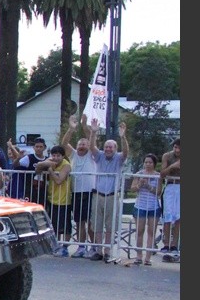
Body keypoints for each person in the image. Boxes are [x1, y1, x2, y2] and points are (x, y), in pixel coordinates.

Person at [87, 118, 128, 262]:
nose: (108, 149)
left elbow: (126, 153)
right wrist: (93, 132)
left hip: (111, 195)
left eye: (111, 147)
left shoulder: (118, 158)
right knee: (97, 224)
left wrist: (123, 137)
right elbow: (92, 147)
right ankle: (97, 250)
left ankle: (107, 251)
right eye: (106, 147)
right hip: (98, 195)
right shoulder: (100, 157)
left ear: (115, 149)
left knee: (110, 225)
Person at [62, 114, 97, 258]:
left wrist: (85, 126)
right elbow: (64, 144)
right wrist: (71, 129)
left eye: (84, 144)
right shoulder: (74, 155)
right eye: (80, 144)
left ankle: (95, 247)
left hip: (90, 192)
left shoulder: (92, 155)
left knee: (90, 222)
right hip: (76, 192)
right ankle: (81, 247)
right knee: (79, 221)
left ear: (88, 146)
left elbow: (93, 141)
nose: (82, 146)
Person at [35, 145, 72, 256]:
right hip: (52, 198)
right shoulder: (50, 161)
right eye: (54, 155)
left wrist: (50, 170)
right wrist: (44, 164)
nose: (55, 158)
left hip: (64, 199)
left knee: (65, 225)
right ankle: (56, 245)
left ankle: (64, 247)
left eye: (58, 156)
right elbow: (37, 170)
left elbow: (59, 180)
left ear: (63, 156)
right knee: (54, 224)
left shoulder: (66, 165)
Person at [130, 153, 162, 266]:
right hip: (140, 206)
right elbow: (133, 189)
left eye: (150, 162)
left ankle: (148, 257)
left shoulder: (158, 175)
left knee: (151, 232)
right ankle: (139, 256)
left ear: (154, 164)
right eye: (146, 162)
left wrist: (148, 185)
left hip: (153, 207)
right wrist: (140, 184)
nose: (148, 164)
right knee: (139, 231)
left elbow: (158, 192)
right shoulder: (139, 174)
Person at [9, 137, 47, 205]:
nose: (38, 148)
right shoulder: (29, 157)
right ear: (33, 147)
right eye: (37, 146)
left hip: (43, 190)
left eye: (41, 147)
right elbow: (15, 165)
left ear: (44, 148)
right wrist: (18, 158)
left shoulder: (47, 159)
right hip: (30, 190)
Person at [159, 138, 180, 262]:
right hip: (171, 186)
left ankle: (174, 245)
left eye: (179, 148)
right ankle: (166, 243)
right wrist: (173, 166)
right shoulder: (167, 156)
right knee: (167, 216)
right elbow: (162, 173)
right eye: (175, 147)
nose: (177, 150)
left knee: (179, 218)